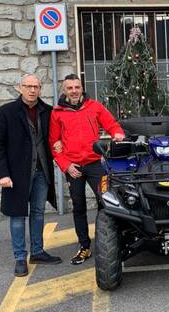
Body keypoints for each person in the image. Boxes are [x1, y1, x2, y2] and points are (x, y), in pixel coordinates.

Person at [0, 74, 62, 277]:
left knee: (38, 212)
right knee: (17, 215)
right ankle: (20, 257)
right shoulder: (6, 112)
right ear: (19, 87)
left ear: (40, 89)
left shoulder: (47, 111)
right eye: (28, 86)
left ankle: (37, 252)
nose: (32, 90)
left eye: (36, 87)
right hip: (15, 174)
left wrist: (59, 144)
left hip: (41, 171)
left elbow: (54, 137)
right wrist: (2, 174)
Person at [49, 74, 125, 265]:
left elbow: (111, 124)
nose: (74, 91)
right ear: (64, 90)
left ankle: (107, 239)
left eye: (77, 87)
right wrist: (66, 165)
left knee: (106, 201)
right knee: (79, 207)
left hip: (93, 163)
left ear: (81, 88)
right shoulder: (57, 112)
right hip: (73, 167)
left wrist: (117, 134)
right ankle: (84, 247)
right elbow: (55, 142)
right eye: (70, 88)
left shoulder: (94, 106)